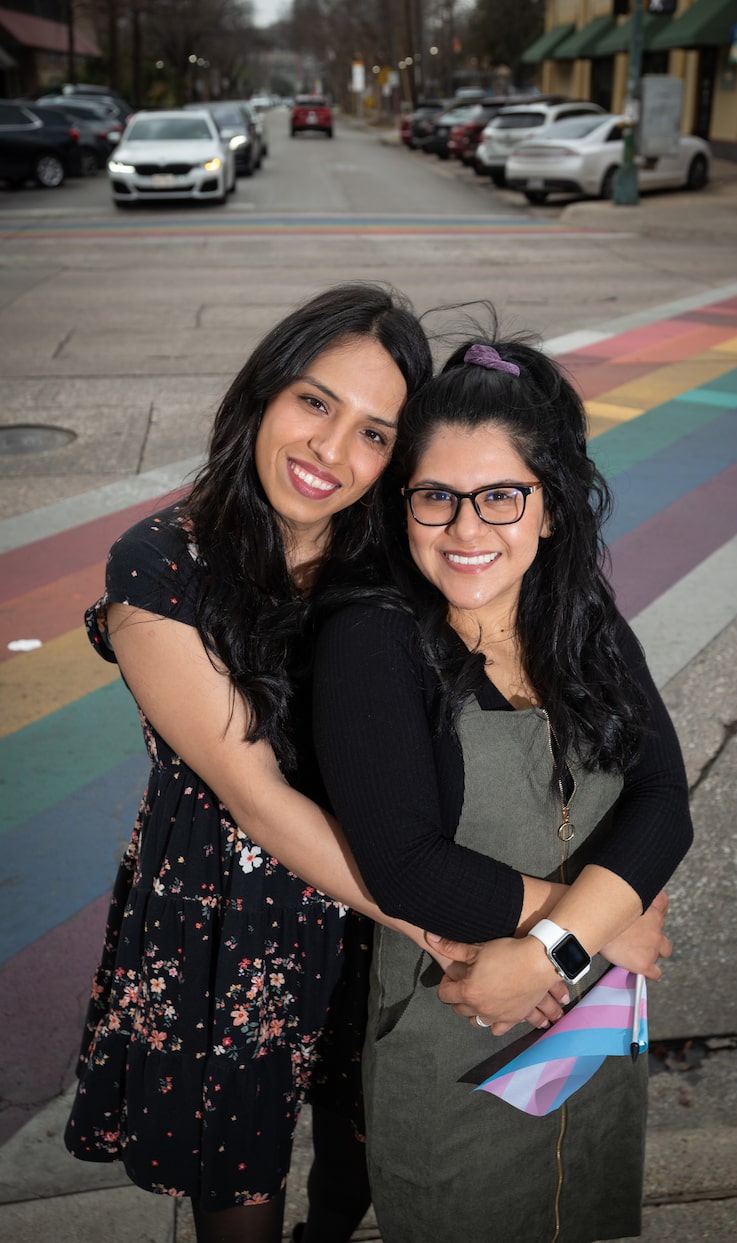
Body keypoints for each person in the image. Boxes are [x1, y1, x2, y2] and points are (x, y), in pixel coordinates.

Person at [63, 283, 436, 1243]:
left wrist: (621, 880)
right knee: (241, 1202)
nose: (330, 451)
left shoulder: (402, 565)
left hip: (375, 916)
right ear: (266, 390)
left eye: (374, 433)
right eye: (316, 402)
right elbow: (257, 797)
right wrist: (449, 922)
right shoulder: (160, 566)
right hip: (233, 926)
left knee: (365, 1160)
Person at [312, 337, 694, 1243]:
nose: (467, 529)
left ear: (551, 508)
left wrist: (555, 949)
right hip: (460, 1021)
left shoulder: (582, 619)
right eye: (436, 497)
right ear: (403, 505)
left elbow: (663, 795)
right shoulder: (374, 641)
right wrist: (603, 918)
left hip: (592, 1034)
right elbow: (406, 867)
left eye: (501, 496)